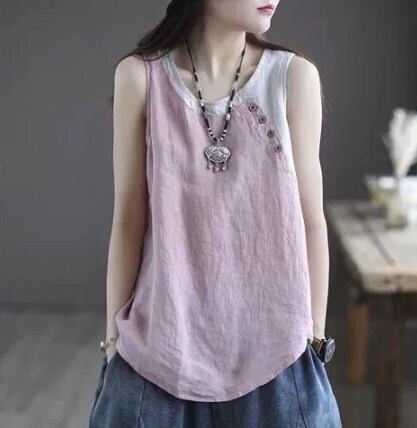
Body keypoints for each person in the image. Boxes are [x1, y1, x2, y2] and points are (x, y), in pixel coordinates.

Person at [88, 0, 342, 427]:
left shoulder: (292, 78)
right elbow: (129, 219)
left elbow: (310, 220)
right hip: (158, 356)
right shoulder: (141, 78)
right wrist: (113, 342)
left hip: (279, 359)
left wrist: (313, 340)